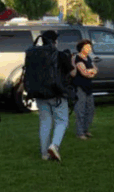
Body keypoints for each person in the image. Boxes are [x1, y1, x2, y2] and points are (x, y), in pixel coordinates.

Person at [35, 30, 76, 162]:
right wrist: (73, 61)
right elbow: (73, 73)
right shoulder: (60, 55)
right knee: (62, 120)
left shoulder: (35, 54)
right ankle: (54, 145)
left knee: (45, 122)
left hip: (40, 93)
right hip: (56, 93)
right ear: (55, 41)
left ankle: (44, 153)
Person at [73, 39, 98, 140]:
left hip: (88, 87)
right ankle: (80, 132)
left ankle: (85, 129)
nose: (89, 49)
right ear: (81, 48)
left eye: (90, 47)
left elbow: (95, 70)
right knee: (80, 110)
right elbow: (84, 73)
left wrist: (91, 71)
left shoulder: (89, 58)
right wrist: (90, 72)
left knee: (90, 109)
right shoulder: (78, 59)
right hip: (80, 87)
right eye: (87, 47)